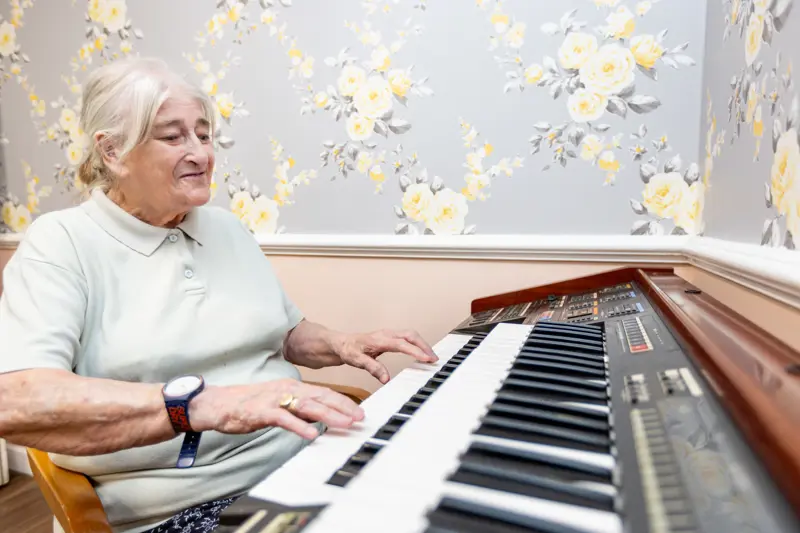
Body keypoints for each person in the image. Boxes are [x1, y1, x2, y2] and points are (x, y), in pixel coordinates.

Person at [0, 57, 437, 533]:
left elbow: (281, 333)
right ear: (113, 152)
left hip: (304, 456)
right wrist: (199, 405)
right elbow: (16, 401)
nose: (201, 154)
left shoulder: (226, 228)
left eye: (204, 135)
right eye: (173, 137)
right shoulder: (60, 244)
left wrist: (342, 343)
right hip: (187, 506)